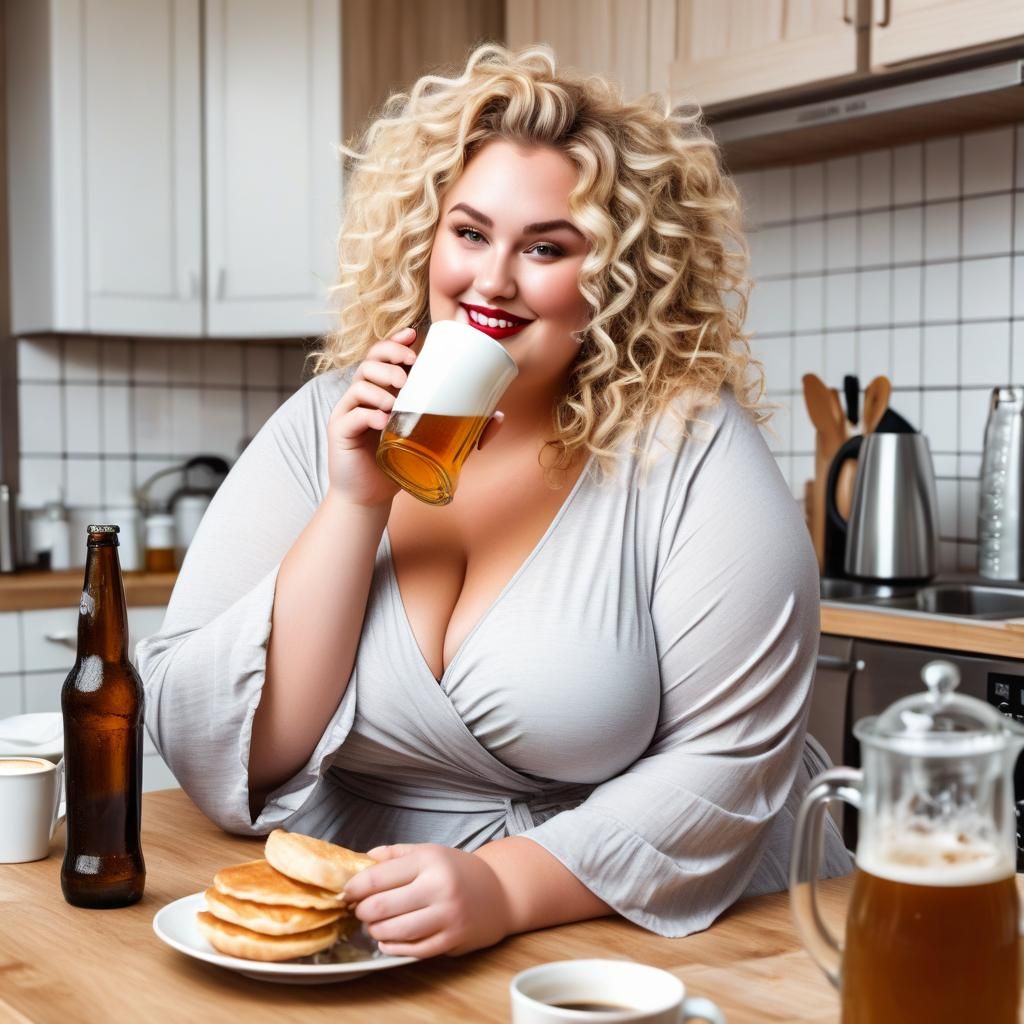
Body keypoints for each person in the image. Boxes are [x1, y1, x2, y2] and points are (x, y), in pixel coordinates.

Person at [138, 44, 850, 959]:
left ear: (615, 279)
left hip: (649, 923)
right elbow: (224, 747)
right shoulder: (328, 420)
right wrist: (355, 505)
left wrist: (505, 886)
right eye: (469, 233)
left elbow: (732, 761)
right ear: (426, 237)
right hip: (379, 926)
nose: (493, 280)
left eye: (546, 247)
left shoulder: (687, 445)